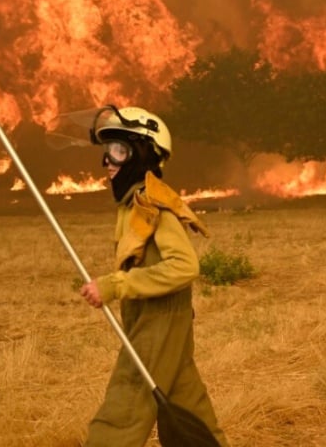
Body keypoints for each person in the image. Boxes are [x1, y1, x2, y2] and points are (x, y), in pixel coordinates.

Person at [78, 105, 229, 447]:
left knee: (122, 411)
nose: (108, 162)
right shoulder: (132, 206)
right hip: (156, 320)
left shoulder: (155, 206)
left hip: (158, 324)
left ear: (143, 154)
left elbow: (185, 265)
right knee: (190, 411)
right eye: (107, 152)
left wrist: (116, 285)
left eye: (118, 151)